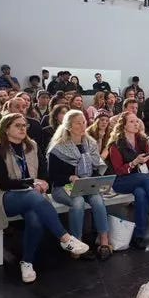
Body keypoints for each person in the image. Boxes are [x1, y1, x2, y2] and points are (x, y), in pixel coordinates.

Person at [0, 113, 90, 283]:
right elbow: (3, 183)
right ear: (6, 129)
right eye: (17, 125)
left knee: (35, 219)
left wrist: (42, 182)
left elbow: (44, 172)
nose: (23, 128)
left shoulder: (32, 146)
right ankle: (65, 238)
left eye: (24, 125)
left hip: (32, 196)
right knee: (33, 196)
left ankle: (27, 262)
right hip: (3, 196)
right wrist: (32, 183)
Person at [47, 110, 112, 261]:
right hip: (62, 186)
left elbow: (96, 168)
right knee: (78, 201)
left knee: (97, 199)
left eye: (84, 122)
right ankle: (76, 243)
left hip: (85, 184)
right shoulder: (58, 147)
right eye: (78, 123)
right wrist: (70, 177)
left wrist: (97, 182)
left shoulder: (90, 143)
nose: (83, 126)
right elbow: (52, 175)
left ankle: (104, 241)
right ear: (69, 126)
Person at [107, 111, 149, 250]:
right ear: (123, 125)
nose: (136, 124)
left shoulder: (142, 140)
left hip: (139, 180)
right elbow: (118, 170)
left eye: (136, 121)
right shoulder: (115, 145)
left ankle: (138, 236)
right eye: (131, 122)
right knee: (146, 179)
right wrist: (134, 162)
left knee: (141, 194)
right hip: (121, 181)